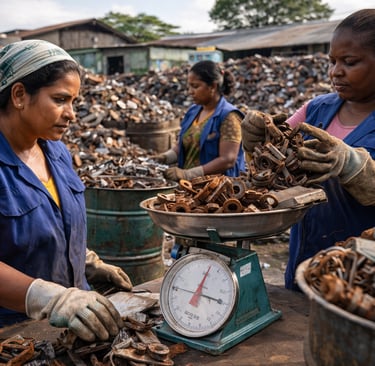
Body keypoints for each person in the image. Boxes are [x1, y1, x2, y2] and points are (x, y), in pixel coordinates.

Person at [0, 40, 133, 341]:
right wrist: (50, 298)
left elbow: (55, 221)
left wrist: (87, 262)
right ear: (20, 95)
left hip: (73, 330)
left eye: (73, 101)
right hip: (15, 336)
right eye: (60, 99)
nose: (71, 114)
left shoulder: (56, 152)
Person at [241, 9, 375, 291]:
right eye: (332, 61)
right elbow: (269, 162)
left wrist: (352, 166)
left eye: (349, 62)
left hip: (361, 270)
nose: (335, 71)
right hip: (306, 251)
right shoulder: (317, 109)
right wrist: (255, 141)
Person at [154, 60, 245, 180]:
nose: (190, 91)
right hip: (190, 187)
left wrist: (188, 174)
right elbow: (185, 144)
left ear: (213, 86)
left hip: (218, 189)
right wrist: (165, 157)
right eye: (189, 86)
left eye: (195, 86)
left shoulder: (229, 116)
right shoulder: (193, 111)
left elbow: (228, 160)